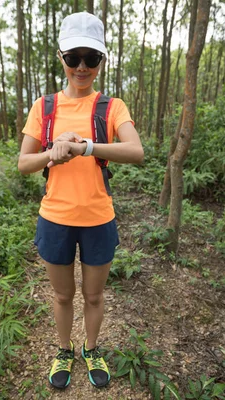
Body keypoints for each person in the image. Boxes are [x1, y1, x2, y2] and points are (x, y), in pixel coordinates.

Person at [18, 12, 144, 390]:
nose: (82, 67)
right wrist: (53, 153)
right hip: (54, 217)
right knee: (61, 294)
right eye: (73, 58)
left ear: (101, 61)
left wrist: (84, 146)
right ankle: (63, 349)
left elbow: (136, 151)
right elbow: (24, 163)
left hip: (98, 216)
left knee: (93, 294)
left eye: (91, 58)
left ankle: (91, 348)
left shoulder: (111, 107)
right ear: (61, 58)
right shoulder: (45, 107)